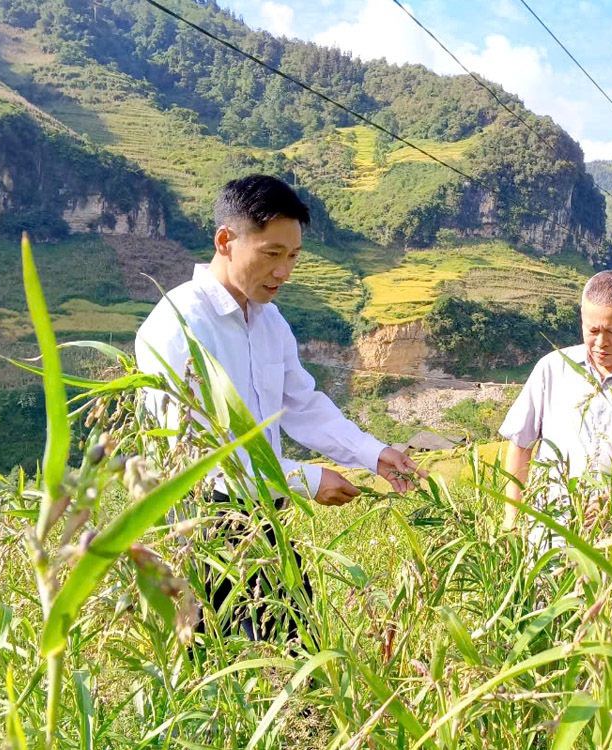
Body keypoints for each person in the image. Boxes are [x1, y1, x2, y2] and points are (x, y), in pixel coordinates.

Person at [135, 174, 420, 638]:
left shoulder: (269, 322)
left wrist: (373, 453)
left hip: (263, 520)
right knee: (217, 667)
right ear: (225, 241)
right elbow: (200, 456)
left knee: (297, 655)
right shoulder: (177, 327)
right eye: (272, 254)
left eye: (293, 256)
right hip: (201, 527)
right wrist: (307, 479)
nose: (284, 272)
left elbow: (302, 403)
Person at [499, 270, 612, 537]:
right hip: (547, 531)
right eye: (592, 330)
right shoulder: (552, 368)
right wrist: (512, 519)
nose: (600, 342)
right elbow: (520, 443)